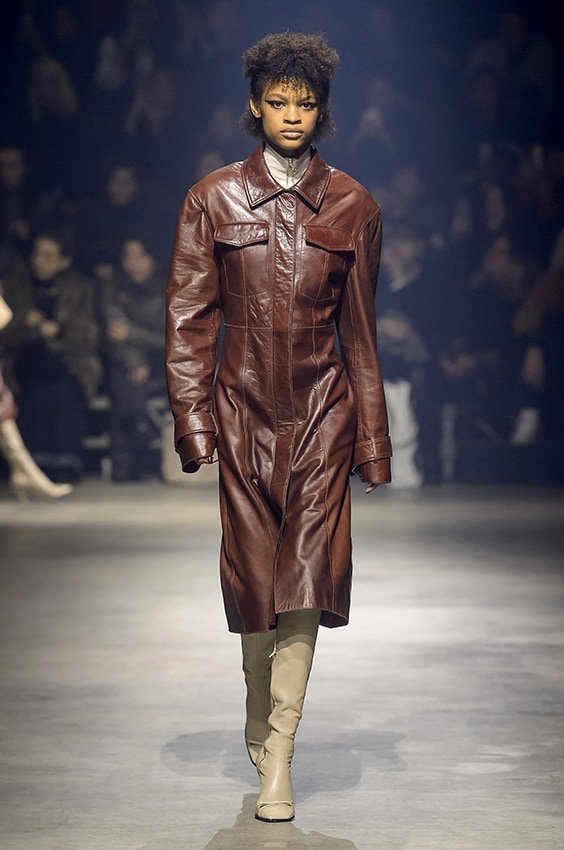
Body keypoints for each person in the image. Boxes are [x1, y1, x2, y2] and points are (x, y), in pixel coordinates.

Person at [165, 32, 391, 823]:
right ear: (255, 106)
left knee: (305, 581)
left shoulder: (355, 206)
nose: (292, 115)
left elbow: (361, 334)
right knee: (252, 582)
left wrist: (372, 441)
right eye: (278, 101)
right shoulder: (212, 199)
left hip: (326, 413)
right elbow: (189, 319)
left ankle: (281, 755)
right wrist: (194, 421)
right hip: (242, 415)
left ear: (322, 110)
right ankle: (258, 706)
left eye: (306, 103)